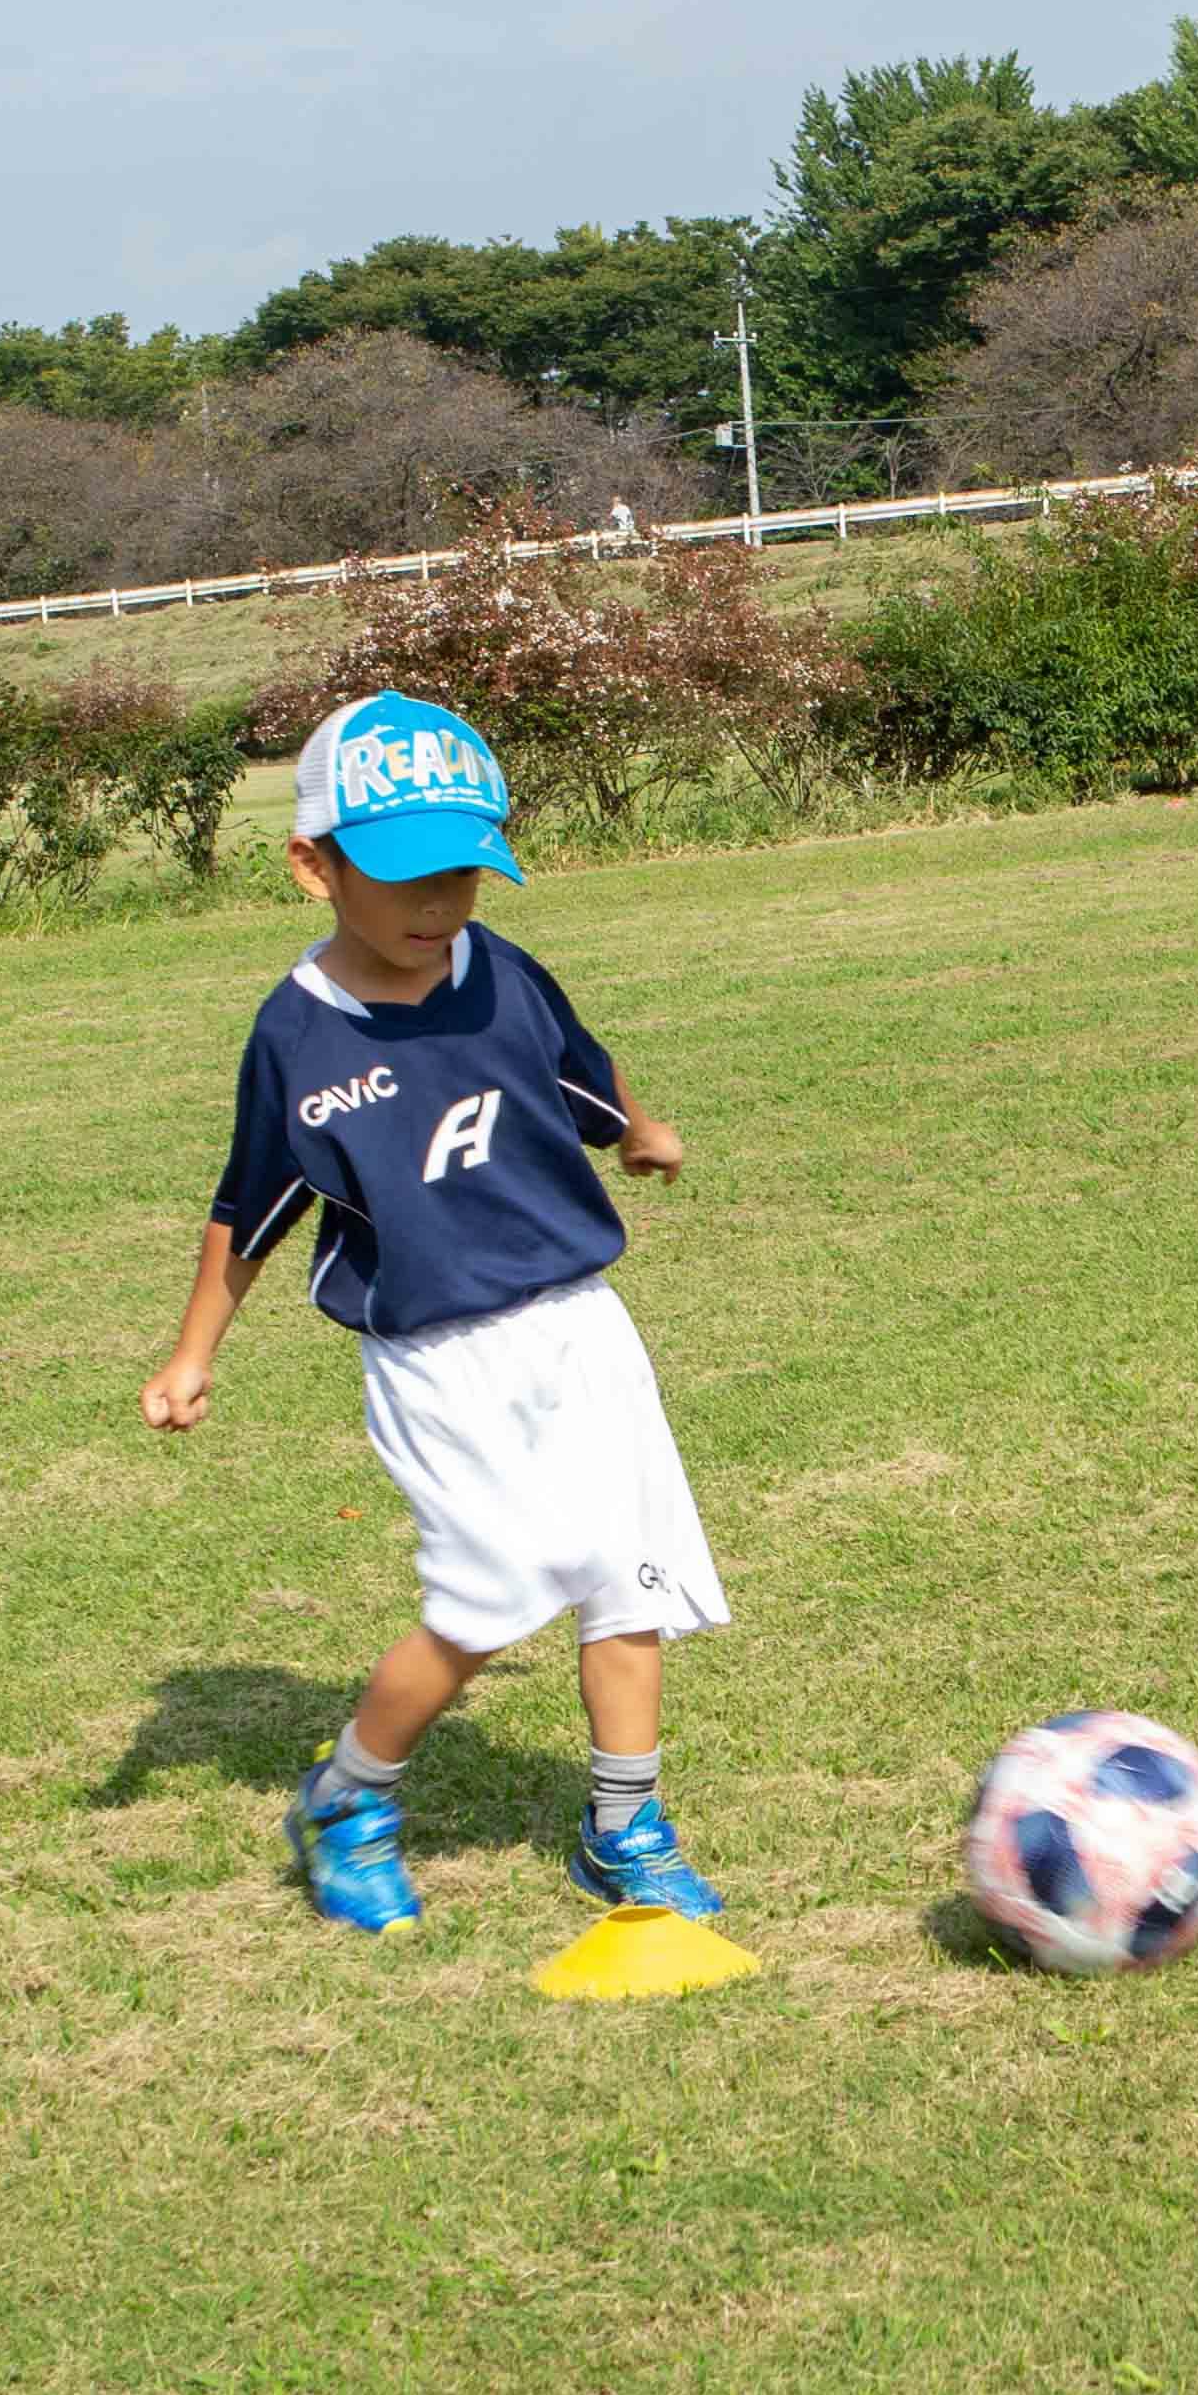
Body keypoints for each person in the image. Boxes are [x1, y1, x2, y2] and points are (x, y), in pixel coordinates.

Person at [142, 696, 725, 1937]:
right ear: (314, 865)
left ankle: (624, 1827)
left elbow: (575, 1068)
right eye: (407, 874)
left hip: (579, 1327)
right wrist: (193, 1352)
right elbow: (250, 1206)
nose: (440, 902)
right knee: (486, 1598)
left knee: (631, 1580)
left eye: (462, 869)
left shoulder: (502, 971)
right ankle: (348, 1799)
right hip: (438, 1358)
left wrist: (638, 1131)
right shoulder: (296, 1035)